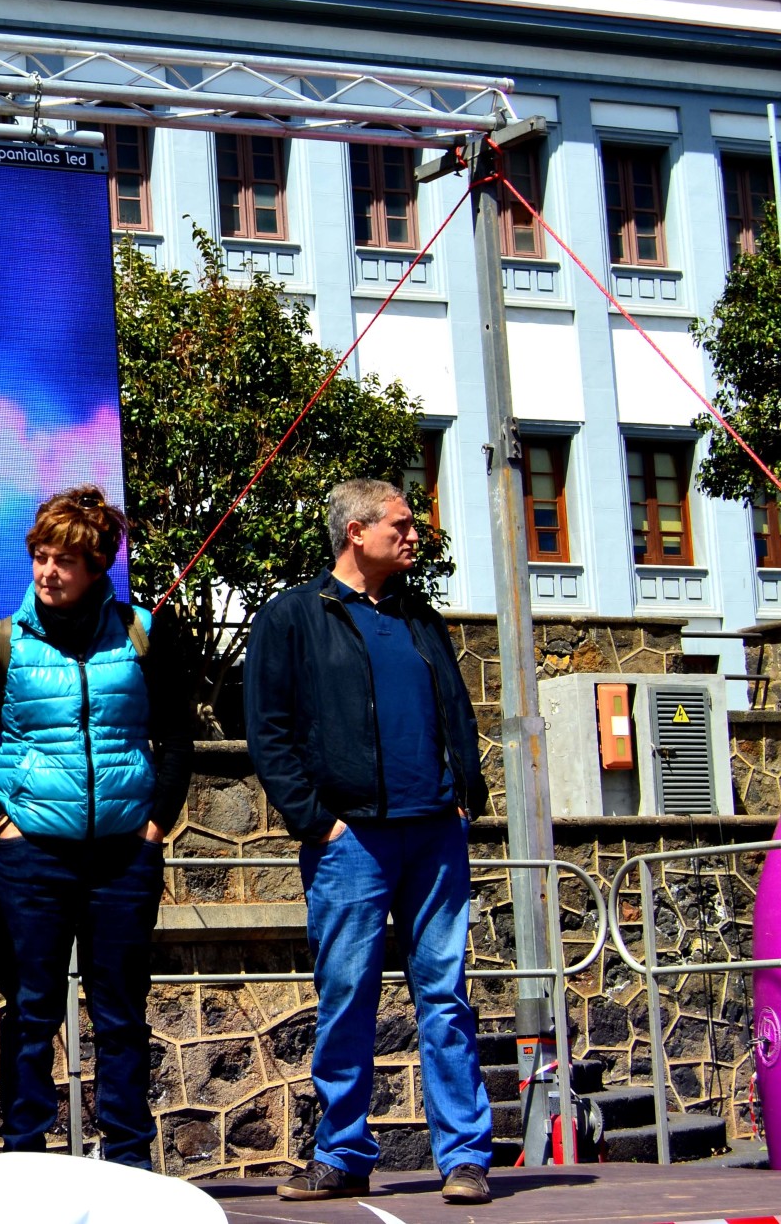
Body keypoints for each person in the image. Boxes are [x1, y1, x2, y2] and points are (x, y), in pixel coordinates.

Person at [244, 479, 494, 1206]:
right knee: (347, 995)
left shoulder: (421, 619)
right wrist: (316, 820)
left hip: (435, 834)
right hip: (350, 840)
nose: (416, 536)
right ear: (356, 531)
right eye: (403, 525)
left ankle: (465, 1158)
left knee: (444, 996)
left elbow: (457, 708)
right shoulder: (293, 616)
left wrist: (463, 794)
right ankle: (342, 1153)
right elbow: (269, 729)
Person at [0, 484, 192, 1171]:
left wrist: (154, 826)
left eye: (65, 561)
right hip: (33, 859)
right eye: (41, 557)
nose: (48, 572)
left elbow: (177, 736)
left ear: (97, 567)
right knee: (30, 1012)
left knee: (121, 1016)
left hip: (123, 857)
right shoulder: (2, 642)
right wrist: (1, 823)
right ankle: (25, 1159)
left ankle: (131, 1163)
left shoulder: (143, 633)